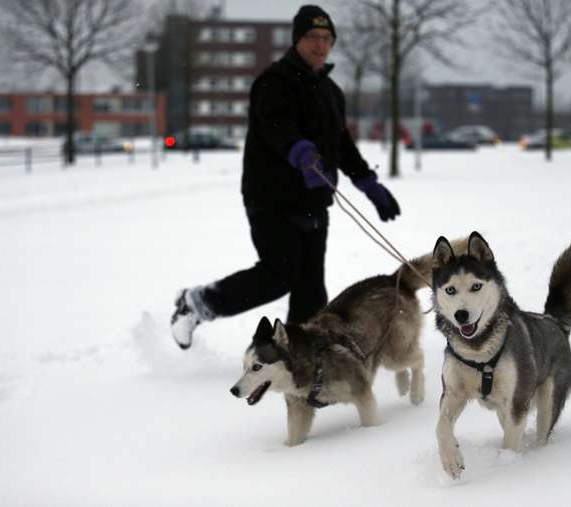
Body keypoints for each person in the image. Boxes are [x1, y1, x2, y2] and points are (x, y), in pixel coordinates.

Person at [170, 4, 401, 349]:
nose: (320, 45)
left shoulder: (331, 92)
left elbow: (341, 143)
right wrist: (301, 153)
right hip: (272, 198)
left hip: (313, 201)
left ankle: (301, 354)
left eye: (326, 38)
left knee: (311, 287)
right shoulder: (275, 81)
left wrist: (369, 184)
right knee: (279, 275)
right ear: (297, 40)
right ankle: (197, 304)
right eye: (312, 37)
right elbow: (277, 126)